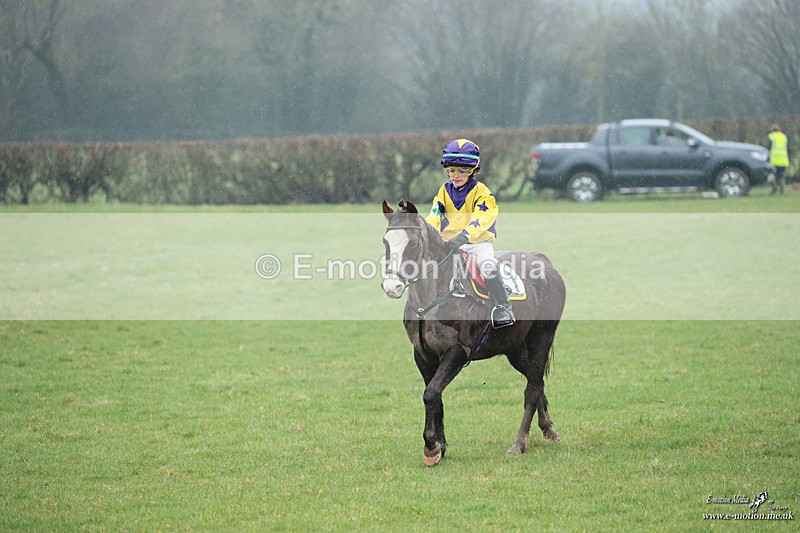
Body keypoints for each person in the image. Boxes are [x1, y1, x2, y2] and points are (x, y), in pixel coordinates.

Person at [425, 138, 515, 328]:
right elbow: (435, 214)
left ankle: (503, 307)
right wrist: (429, 233)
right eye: (451, 170)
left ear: (473, 170)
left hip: (477, 244)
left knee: (488, 265)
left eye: (462, 170)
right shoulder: (443, 191)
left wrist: (465, 235)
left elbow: (483, 217)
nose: (456, 175)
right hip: (448, 243)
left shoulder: (481, 192)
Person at [768, 123, 788, 195]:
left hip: (774, 160)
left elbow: (769, 148)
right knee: (781, 175)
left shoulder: (772, 137)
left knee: (771, 175)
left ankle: (774, 188)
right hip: (783, 160)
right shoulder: (784, 137)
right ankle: (782, 189)